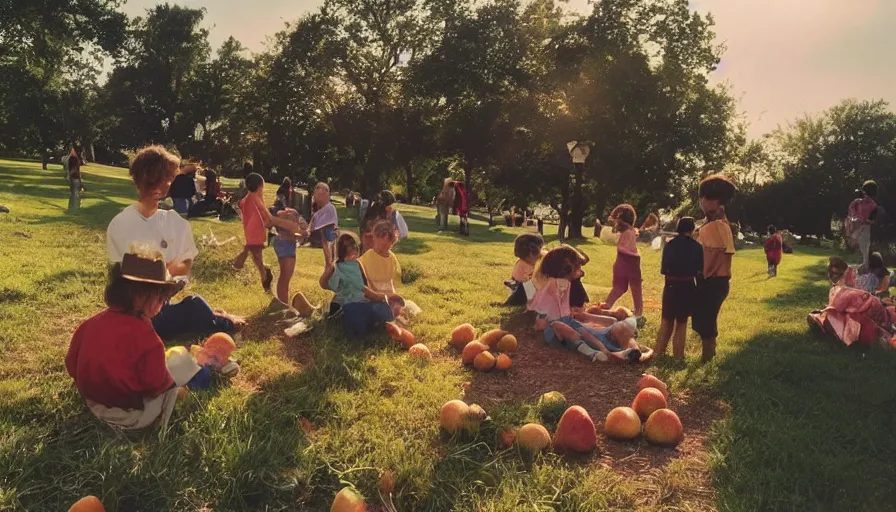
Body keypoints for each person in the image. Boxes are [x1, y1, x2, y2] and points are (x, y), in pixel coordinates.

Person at [106, 146, 243, 340]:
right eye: (169, 179)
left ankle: (216, 317)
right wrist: (167, 275)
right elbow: (128, 273)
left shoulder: (170, 222)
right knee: (194, 306)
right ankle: (224, 322)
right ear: (163, 183)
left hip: (153, 303)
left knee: (191, 305)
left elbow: (181, 268)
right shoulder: (123, 223)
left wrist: (167, 274)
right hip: (140, 313)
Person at [66, 248, 184, 431]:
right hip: (127, 409)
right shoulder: (149, 340)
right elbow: (155, 385)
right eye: (163, 298)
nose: (163, 304)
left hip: (92, 400)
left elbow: (71, 364)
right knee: (174, 385)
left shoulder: (89, 324)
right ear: (149, 298)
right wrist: (172, 382)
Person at [529, 246, 643, 362]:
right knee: (571, 330)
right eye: (578, 267)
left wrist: (573, 314)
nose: (580, 272)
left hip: (566, 321)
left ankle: (607, 353)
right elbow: (543, 309)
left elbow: (562, 310)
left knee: (586, 333)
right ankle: (593, 353)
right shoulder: (555, 284)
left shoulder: (565, 284)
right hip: (555, 327)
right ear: (567, 268)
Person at [232, 173, 300, 293]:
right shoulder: (255, 198)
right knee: (253, 256)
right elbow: (270, 220)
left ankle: (265, 279)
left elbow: (258, 213)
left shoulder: (249, 198)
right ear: (261, 186)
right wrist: (290, 225)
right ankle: (264, 278)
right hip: (256, 235)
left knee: (256, 257)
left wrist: (280, 215)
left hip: (251, 234)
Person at [694, 174, 737, 363]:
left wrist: (698, 273)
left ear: (713, 200)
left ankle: (708, 358)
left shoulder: (716, 226)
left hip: (712, 280)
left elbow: (710, 257)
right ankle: (708, 355)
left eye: (704, 197)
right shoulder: (716, 223)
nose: (701, 201)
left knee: (706, 320)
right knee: (704, 319)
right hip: (715, 281)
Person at [320, 232, 398, 336]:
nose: (354, 247)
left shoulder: (357, 264)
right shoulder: (340, 267)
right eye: (351, 245)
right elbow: (365, 291)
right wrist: (388, 297)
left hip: (363, 303)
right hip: (351, 307)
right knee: (362, 316)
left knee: (383, 309)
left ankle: (376, 324)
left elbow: (366, 287)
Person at [655, 217, 703, 358]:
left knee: (666, 321)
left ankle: (659, 353)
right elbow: (700, 270)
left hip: (670, 285)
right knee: (681, 323)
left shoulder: (669, 245)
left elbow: (664, 269)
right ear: (692, 229)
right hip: (687, 286)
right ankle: (678, 356)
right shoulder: (696, 247)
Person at [601, 204, 644, 326]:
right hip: (631, 262)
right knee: (636, 289)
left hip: (620, 262)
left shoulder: (627, 232)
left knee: (619, 288)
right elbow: (626, 248)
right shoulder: (629, 232)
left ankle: (605, 307)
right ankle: (638, 314)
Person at [845, 180, 880, 268]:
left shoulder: (857, 202)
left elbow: (850, 213)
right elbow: (870, 221)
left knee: (859, 251)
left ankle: (857, 269)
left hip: (854, 228)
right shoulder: (873, 205)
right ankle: (864, 270)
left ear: (864, 191)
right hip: (864, 229)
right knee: (864, 252)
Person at [505, 233, 545, 306]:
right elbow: (518, 282)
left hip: (541, 290)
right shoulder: (521, 264)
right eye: (528, 258)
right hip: (525, 291)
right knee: (526, 287)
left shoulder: (544, 259)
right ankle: (509, 303)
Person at [309, 183, 338, 252]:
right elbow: (312, 224)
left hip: (327, 238)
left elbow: (321, 225)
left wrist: (309, 231)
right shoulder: (318, 211)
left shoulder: (330, 208)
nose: (315, 197)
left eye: (319, 195)